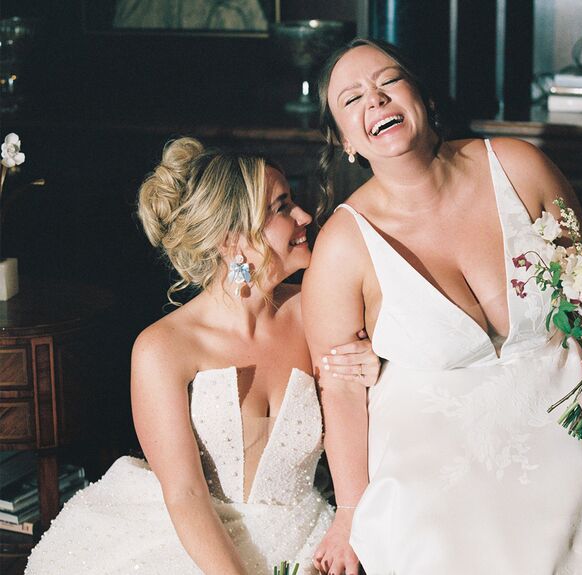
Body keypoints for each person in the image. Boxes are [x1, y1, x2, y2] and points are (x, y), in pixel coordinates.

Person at [302, 38, 582, 575]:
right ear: (344, 141)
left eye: (388, 81)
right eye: (351, 99)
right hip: (439, 446)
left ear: (422, 97)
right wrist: (350, 513)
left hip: (568, 397)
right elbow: (339, 390)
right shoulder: (342, 246)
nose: (375, 101)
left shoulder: (518, 166)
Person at [25, 137, 381, 575]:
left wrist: (378, 365)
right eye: (282, 206)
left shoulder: (318, 309)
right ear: (233, 241)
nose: (304, 216)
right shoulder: (163, 348)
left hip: (310, 537)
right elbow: (186, 495)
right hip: (194, 541)